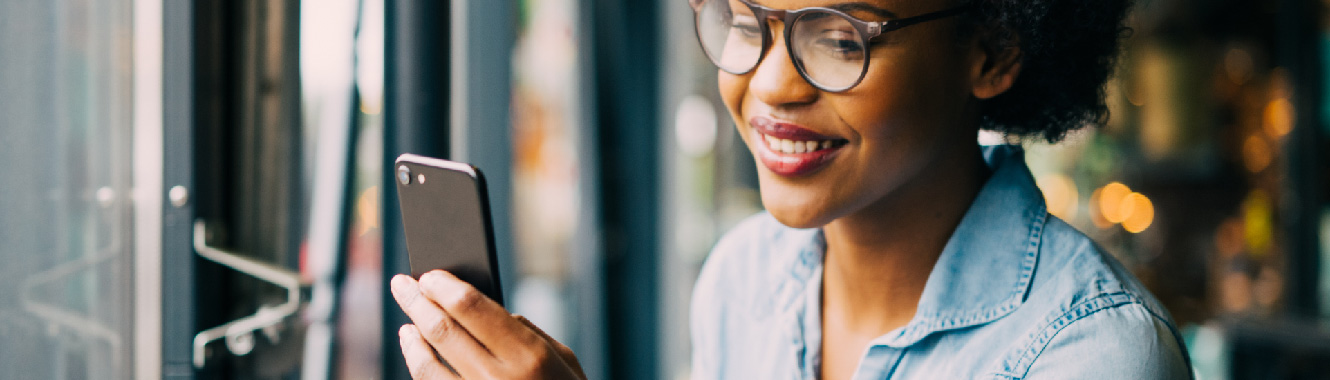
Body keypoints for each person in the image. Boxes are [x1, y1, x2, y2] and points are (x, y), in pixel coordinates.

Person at [389, 0, 1194, 378]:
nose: (770, 86)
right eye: (744, 22)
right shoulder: (741, 279)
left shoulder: (1092, 355)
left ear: (992, 52)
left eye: (838, 40)